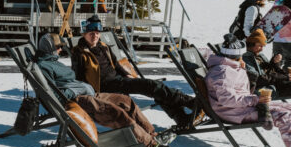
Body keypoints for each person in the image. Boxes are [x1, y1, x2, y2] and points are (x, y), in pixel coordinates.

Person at [35, 34, 174, 147]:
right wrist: (76, 90)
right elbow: (52, 94)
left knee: (125, 101)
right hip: (77, 101)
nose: (60, 50)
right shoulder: (43, 66)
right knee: (117, 114)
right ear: (49, 48)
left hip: (87, 94)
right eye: (57, 47)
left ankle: (151, 135)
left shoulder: (53, 61)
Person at [71, 15, 201, 130]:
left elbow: (115, 64)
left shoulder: (103, 46)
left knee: (155, 91)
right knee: (151, 85)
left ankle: (182, 118)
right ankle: (192, 103)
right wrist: (89, 97)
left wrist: (125, 74)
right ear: (84, 34)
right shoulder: (79, 52)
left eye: (97, 33)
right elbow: (78, 77)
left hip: (118, 81)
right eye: (91, 33)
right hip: (105, 87)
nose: (95, 36)